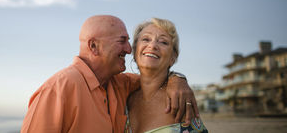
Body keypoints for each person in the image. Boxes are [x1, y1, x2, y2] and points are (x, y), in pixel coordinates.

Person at [21, 15, 198, 133]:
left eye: (129, 42)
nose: (128, 49)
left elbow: (152, 79)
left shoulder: (121, 84)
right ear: (93, 46)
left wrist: (178, 79)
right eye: (122, 41)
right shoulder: (58, 89)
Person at [125, 18, 208, 133]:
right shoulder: (125, 97)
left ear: (173, 58)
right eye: (145, 39)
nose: (153, 45)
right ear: (134, 50)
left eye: (163, 42)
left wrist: (178, 78)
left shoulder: (179, 100)